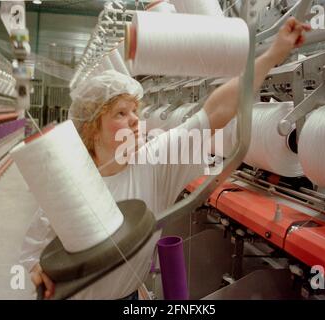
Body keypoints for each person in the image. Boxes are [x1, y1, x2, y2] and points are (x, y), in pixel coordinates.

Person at [20, 17, 310, 299]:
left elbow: (215, 112)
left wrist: (273, 53)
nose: (135, 120)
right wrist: (34, 268)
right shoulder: (71, 181)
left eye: (136, 110)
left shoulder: (153, 163)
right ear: (92, 128)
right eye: (121, 113)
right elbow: (34, 246)